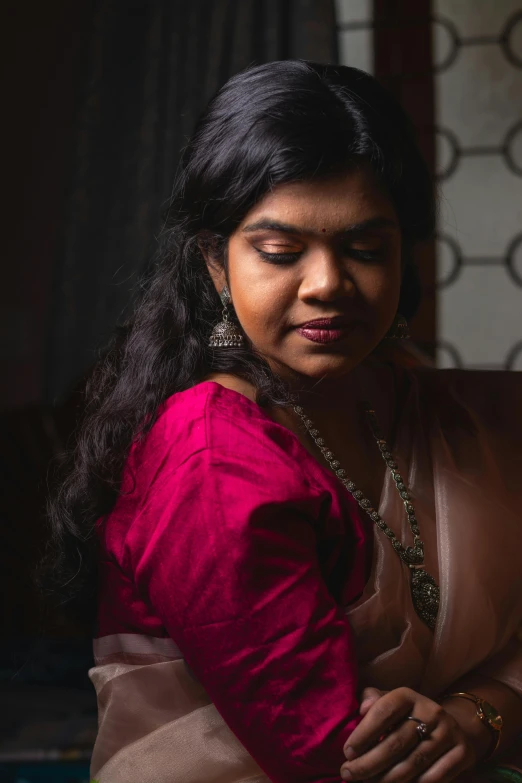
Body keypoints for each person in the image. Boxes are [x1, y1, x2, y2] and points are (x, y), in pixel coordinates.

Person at [39, 60, 522, 783]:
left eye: (365, 248)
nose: (328, 283)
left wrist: (477, 715)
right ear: (214, 263)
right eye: (280, 251)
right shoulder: (214, 463)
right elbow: (348, 762)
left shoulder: (442, 411)